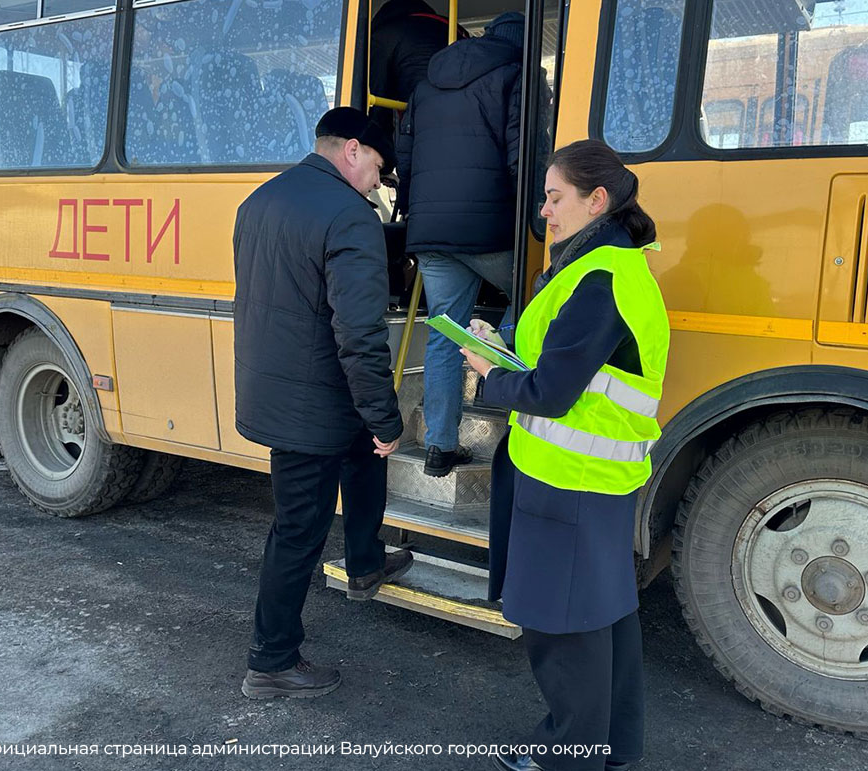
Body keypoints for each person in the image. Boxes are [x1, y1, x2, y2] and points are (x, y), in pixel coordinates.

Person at [461, 139, 669, 771]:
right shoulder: (613, 267)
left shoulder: (596, 276)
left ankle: (567, 757)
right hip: (596, 478)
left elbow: (551, 392)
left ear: (595, 200)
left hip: (567, 480)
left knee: (563, 628)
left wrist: (486, 377)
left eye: (554, 198)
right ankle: (614, 749)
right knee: (606, 616)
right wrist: (504, 350)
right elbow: (568, 370)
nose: (544, 212)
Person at [232, 107, 414, 699]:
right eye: (379, 172)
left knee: (365, 458)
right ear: (353, 151)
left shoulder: (259, 201)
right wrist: (386, 417)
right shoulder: (349, 217)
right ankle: (271, 661)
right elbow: (359, 335)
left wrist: (370, 425)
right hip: (313, 402)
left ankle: (364, 562)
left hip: (284, 386)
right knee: (298, 530)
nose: (379, 185)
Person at [396, 11, 526, 477]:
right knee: (533, 303)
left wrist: (413, 210)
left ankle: (441, 446)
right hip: (490, 228)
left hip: (430, 230)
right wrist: (533, 218)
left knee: (443, 334)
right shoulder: (518, 74)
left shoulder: (428, 81)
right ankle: (510, 408)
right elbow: (521, 153)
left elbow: (406, 155)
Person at [368, 0, 466, 137]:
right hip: (468, 114)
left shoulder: (384, 36)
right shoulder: (455, 29)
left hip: (421, 120)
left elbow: (376, 99)